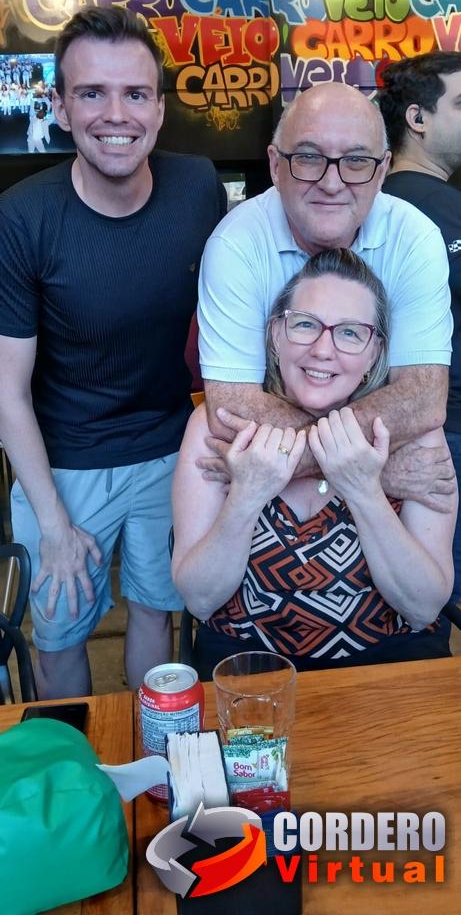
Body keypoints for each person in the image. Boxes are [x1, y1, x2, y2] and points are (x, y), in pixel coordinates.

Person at [0, 7, 227, 699]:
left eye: (135, 93)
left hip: (170, 446)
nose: (115, 114)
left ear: (159, 109)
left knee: (157, 614)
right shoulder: (23, 217)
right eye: (92, 93)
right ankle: (75, 760)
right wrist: (52, 523)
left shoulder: (198, 187)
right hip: (65, 463)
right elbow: (6, 390)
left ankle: (152, 753)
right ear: (60, 107)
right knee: (59, 635)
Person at [173, 250, 456, 678]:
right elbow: (200, 599)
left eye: (350, 333)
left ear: (374, 352)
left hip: (389, 669)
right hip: (248, 670)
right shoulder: (218, 426)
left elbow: (423, 606)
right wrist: (247, 495)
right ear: (276, 335)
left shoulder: (416, 434)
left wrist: (363, 489)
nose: (323, 349)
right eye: (305, 324)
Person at [197, 82, 455, 513]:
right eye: (309, 157)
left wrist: (308, 461)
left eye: (356, 161)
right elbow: (232, 408)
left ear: (382, 170)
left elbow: (422, 399)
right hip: (283, 496)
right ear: (275, 166)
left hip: (282, 471)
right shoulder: (236, 243)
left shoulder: (414, 237)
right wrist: (374, 470)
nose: (332, 183)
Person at [379, 52, 461, 602]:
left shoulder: (376, 203)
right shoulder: (438, 206)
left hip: (401, 429)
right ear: (418, 118)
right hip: (449, 432)